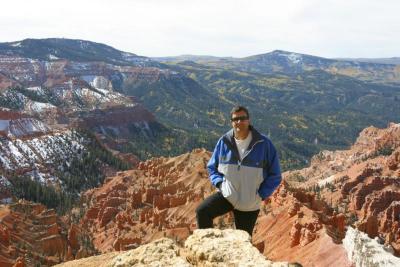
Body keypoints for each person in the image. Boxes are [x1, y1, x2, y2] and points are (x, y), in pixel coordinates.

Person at [196, 105, 282, 237]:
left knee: (244, 239)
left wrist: (260, 194)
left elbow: (275, 175)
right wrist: (220, 184)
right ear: (231, 122)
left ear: (249, 120)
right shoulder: (224, 142)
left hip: (249, 202)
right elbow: (212, 167)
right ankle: (207, 247)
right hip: (227, 195)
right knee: (202, 211)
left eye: (243, 118)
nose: (239, 122)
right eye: (235, 119)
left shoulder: (264, 144)